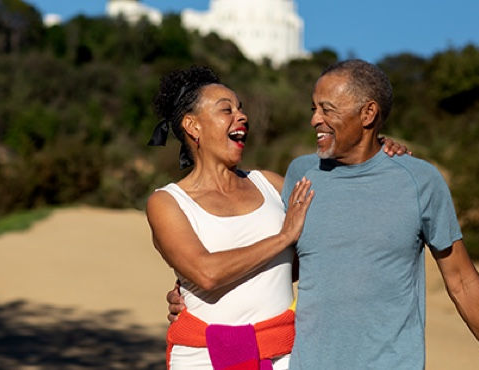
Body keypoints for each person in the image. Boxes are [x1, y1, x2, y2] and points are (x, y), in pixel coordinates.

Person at [166, 60, 479, 369]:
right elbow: (280, 267)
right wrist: (194, 296)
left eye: (327, 109)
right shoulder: (300, 175)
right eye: (314, 107)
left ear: (368, 114)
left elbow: (463, 281)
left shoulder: (419, 180)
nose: (314, 119)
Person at [145, 66, 407, 369]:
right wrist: (283, 238)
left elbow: (342, 218)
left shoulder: (270, 184)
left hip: (285, 352)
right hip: (202, 357)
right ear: (193, 126)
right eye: (226, 110)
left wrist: (375, 150)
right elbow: (206, 273)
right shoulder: (167, 202)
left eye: (241, 109)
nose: (241, 117)